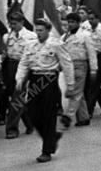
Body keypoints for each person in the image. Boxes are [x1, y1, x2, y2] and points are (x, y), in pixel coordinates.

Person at [16, 19, 74, 163]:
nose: (38, 33)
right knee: (31, 113)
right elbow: (24, 63)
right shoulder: (31, 45)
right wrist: (19, 79)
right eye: (37, 30)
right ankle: (52, 137)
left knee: (48, 116)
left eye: (41, 30)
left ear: (48, 31)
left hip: (49, 80)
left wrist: (70, 84)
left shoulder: (56, 45)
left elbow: (67, 64)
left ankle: (46, 151)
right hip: (35, 79)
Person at [0, 12, 36, 139]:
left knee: (17, 96)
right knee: (15, 97)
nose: (12, 26)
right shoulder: (7, 36)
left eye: (15, 23)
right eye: (11, 23)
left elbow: (33, 54)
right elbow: (5, 53)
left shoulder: (31, 36)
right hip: (10, 66)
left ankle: (12, 128)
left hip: (24, 67)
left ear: (22, 22)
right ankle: (29, 123)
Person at [61, 13, 96, 128]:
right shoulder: (65, 36)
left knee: (75, 91)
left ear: (78, 23)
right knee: (78, 91)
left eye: (72, 22)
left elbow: (91, 52)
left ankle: (68, 116)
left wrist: (93, 70)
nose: (70, 25)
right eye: (68, 22)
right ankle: (84, 118)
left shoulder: (85, 35)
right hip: (68, 67)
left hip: (80, 64)